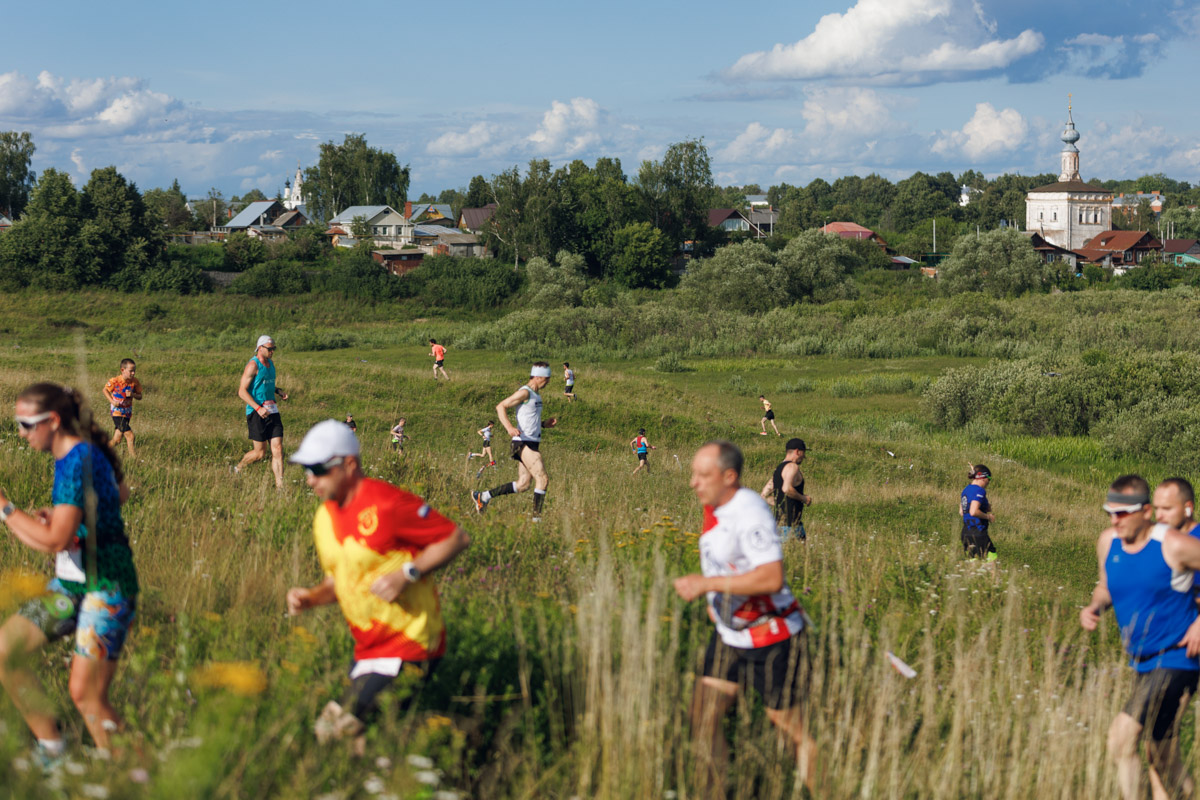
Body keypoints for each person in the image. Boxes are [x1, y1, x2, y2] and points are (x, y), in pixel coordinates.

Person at [286, 420, 470, 752]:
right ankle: (442, 749)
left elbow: (455, 537)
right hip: (369, 648)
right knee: (358, 738)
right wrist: (310, 598)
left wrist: (407, 574)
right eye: (306, 470)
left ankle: (460, 743)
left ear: (349, 465)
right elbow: (336, 582)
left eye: (318, 468)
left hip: (411, 642)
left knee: (335, 728)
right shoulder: (324, 519)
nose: (310, 478)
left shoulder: (386, 503)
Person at [0, 383, 139, 765]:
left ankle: (136, 773)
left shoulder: (78, 459)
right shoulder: (75, 455)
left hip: (106, 586)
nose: (22, 433)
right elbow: (120, 494)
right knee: (5, 651)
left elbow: (53, 541)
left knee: (88, 695)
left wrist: (6, 509)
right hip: (73, 583)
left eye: (26, 425)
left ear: (53, 421)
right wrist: (72, 519)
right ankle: (53, 751)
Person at [673, 441, 815, 796]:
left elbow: (771, 578)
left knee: (790, 731)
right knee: (702, 716)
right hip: (730, 636)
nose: (694, 482)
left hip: (771, 636)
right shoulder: (714, 507)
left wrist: (708, 584)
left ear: (729, 476)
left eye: (703, 475)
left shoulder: (749, 511)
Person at [1081, 475, 1200, 800]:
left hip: (1177, 658)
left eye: (1122, 513)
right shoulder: (1108, 542)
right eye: (1109, 512)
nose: (1114, 520)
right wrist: (1094, 606)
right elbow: (1106, 585)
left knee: (1121, 738)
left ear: (1145, 511)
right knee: (1163, 760)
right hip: (1142, 662)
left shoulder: (1173, 544)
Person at [472, 362, 558, 522]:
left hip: (531, 442)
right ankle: (536, 523)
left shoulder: (535, 395)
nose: (548, 382)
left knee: (523, 484)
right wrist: (509, 427)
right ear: (538, 377)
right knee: (543, 479)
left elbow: (528, 419)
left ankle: (483, 496)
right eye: (547, 379)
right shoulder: (525, 392)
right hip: (522, 443)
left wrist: (543, 424)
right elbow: (501, 406)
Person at [235, 335, 289, 489]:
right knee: (260, 454)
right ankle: (238, 469)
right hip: (256, 411)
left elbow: (266, 385)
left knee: (278, 448)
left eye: (274, 348)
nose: (272, 351)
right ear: (260, 348)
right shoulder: (253, 365)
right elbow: (242, 391)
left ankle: (280, 488)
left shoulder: (271, 364)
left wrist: (278, 391)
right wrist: (258, 408)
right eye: (270, 349)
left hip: (272, 410)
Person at [760, 438, 812, 542]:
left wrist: (779, 502)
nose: (804, 456)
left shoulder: (778, 469)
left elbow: (763, 496)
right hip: (790, 525)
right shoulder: (793, 467)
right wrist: (804, 498)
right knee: (800, 557)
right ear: (797, 451)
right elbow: (787, 488)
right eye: (803, 452)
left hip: (781, 524)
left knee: (802, 555)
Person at [102, 358, 143, 457]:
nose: (133, 373)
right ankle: (134, 460)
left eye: (134, 371)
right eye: (131, 371)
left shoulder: (135, 382)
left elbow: (140, 396)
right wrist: (112, 401)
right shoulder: (115, 381)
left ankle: (100, 452)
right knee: (130, 436)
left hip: (127, 413)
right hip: (117, 412)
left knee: (117, 440)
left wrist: (133, 394)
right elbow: (105, 390)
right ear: (122, 370)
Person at [960, 465, 996, 561]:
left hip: (965, 532)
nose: (989, 481)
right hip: (978, 532)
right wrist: (988, 516)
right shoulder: (979, 490)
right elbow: (973, 511)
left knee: (973, 563)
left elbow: (962, 512)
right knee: (992, 560)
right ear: (983, 477)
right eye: (989, 478)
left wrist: (984, 508)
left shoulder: (965, 490)